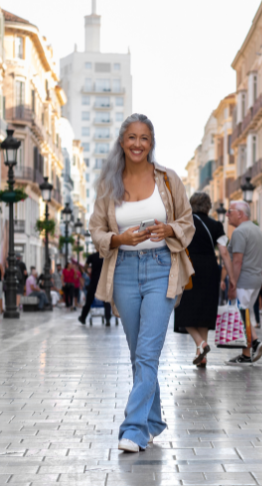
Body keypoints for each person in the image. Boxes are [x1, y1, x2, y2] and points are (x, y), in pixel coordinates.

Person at [89, 113, 195, 453]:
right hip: (122, 271)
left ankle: (133, 428)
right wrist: (120, 239)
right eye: (131, 137)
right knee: (139, 354)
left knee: (148, 354)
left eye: (144, 138)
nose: (137, 143)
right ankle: (153, 421)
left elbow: (187, 223)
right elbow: (96, 231)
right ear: (122, 142)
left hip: (162, 268)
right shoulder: (109, 185)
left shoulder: (168, 180)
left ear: (151, 143)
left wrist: (168, 230)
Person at [173, 192, 229, 367]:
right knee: (204, 311)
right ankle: (201, 354)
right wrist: (231, 277)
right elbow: (224, 251)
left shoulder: (184, 223)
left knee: (183, 310)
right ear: (209, 206)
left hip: (188, 268)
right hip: (210, 268)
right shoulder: (216, 225)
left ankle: (201, 344)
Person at [223, 201, 262, 365]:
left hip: (244, 281)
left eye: (230, 211)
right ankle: (246, 355)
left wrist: (232, 284)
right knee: (244, 313)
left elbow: (237, 261)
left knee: (241, 314)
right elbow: (261, 257)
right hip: (255, 279)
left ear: (240, 214)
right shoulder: (256, 230)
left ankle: (255, 342)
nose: (227, 214)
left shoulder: (240, 232)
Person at [79, 247, 113, 325]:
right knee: (106, 300)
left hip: (94, 281)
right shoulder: (106, 256)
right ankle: (107, 319)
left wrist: (86, 272)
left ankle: (83, 317)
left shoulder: (92, 256)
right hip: (104, 280)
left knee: (89, 300)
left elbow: (85, 268)